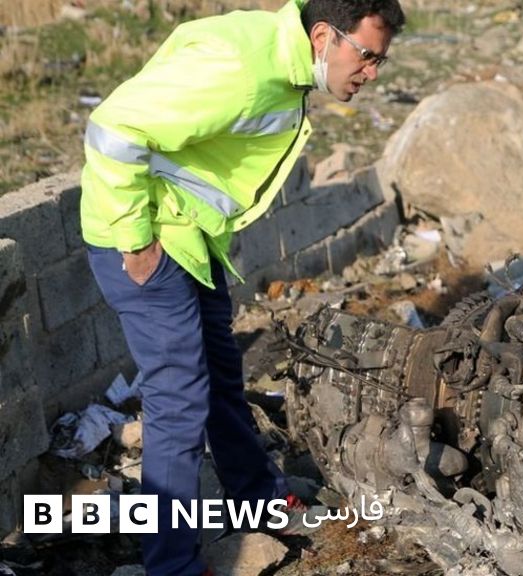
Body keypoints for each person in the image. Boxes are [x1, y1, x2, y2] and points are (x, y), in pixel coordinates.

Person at [79, 0, 404, 574]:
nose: (372, 73)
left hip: (186, 236)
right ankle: (172, 565)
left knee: (220, 378)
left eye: (381, 61)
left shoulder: (282, 60)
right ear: (323, 36)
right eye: (367, 56)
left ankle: (259, 498)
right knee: (179, 403)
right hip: (144, 242)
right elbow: (113, 128)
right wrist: (136, 242)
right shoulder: (241, 68)